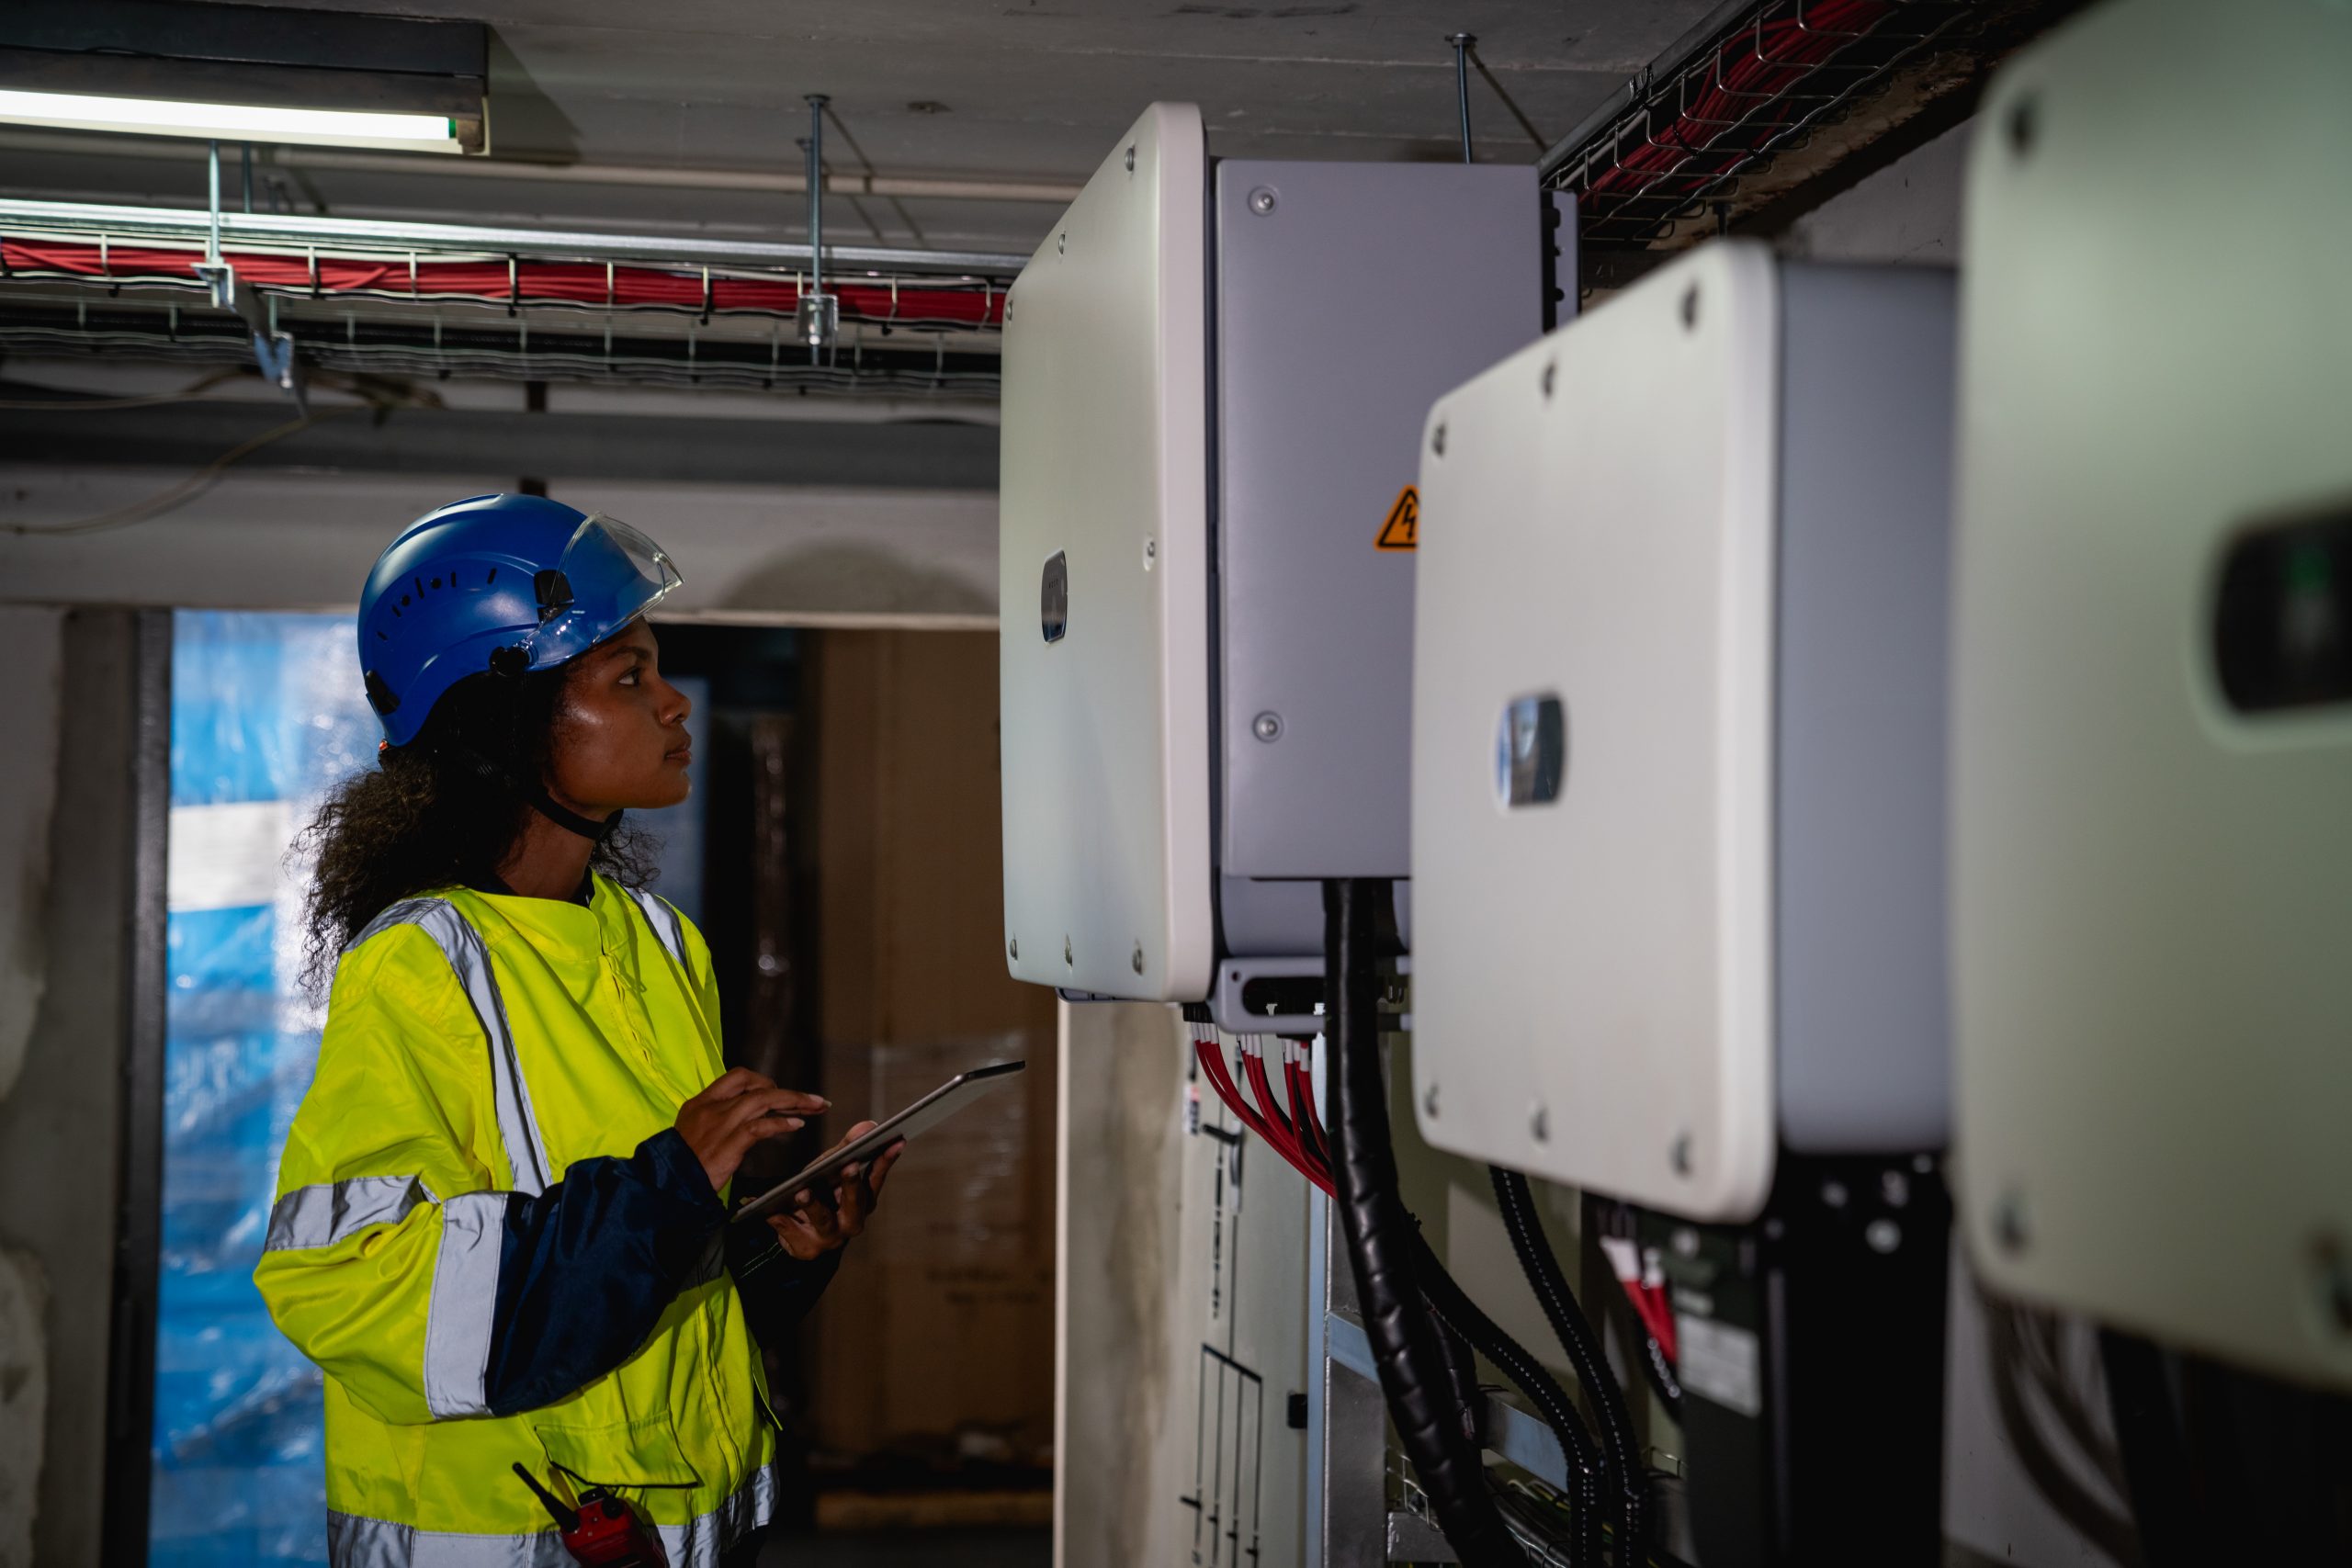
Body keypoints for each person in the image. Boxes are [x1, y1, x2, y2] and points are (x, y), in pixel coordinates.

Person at [254, 493, 899, 1568]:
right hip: (497, 1537)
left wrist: (773, 1253)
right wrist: (668, 1187)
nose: (676, 706)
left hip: (686, 1534)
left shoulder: (657, 941)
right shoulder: (424, 962)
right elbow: (350, 1285)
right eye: (628, 679)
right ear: (505, 721)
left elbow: (633, 1277)